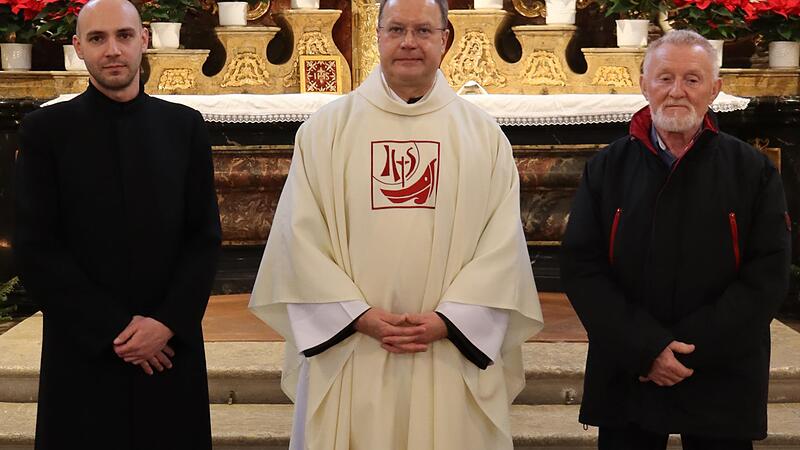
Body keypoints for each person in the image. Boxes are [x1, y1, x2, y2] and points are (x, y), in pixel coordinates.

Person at [248, 0, 543, 447]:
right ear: (378, 37)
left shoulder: (483, 137)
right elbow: (299, 239)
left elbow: (502, 248)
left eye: (424, 31)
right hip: (353, 347)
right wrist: (358, 317)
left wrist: (451, 321)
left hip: (446, 351)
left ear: (445, 39)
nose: (409, 42)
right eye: (397, 30)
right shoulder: (325, 131)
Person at [560, 30, 791, 450]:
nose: (677, 92)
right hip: (630, 370)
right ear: (643, 83)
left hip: (720, 372)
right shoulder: (606, 168)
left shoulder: (752, 171)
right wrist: (646, 348)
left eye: (692, 79)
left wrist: (684, 351)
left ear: (715, 89)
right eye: (665, 78)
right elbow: (582, 268)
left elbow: (767, 276)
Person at [13, 0, 221, 448]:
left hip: (169, 350)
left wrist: (166, 323)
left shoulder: (184, 127)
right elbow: (36, 246)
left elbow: (203, 237)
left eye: (124, 36)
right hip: (85, 348)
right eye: (97, 38)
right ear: (78, 48)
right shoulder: (46, 131)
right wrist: (115, 330)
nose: (113, 49)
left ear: (143, 40)